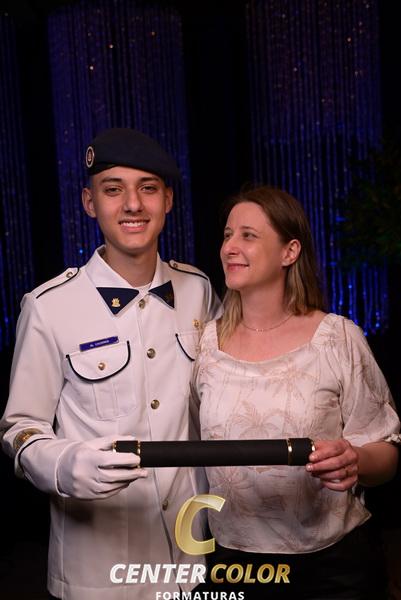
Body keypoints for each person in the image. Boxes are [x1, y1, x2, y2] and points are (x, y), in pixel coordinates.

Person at [0, 128, 221, 600]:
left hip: (190, 560)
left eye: (148, 188)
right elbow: (20, 429)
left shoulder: (199, 291)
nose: (133, 205)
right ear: (90, 203)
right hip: (99, 575)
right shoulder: (48, 307)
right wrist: (63, 465)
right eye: (113, 189)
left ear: (168, 201)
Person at [191, 185, 400, 599]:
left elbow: (387, 452)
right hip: (235, 563)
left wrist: (355, 459)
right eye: (228, 235)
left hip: (334, 570)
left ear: (289, 251)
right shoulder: (205, 345)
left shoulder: (337, 337)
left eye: (248, 235)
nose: (230, 247)